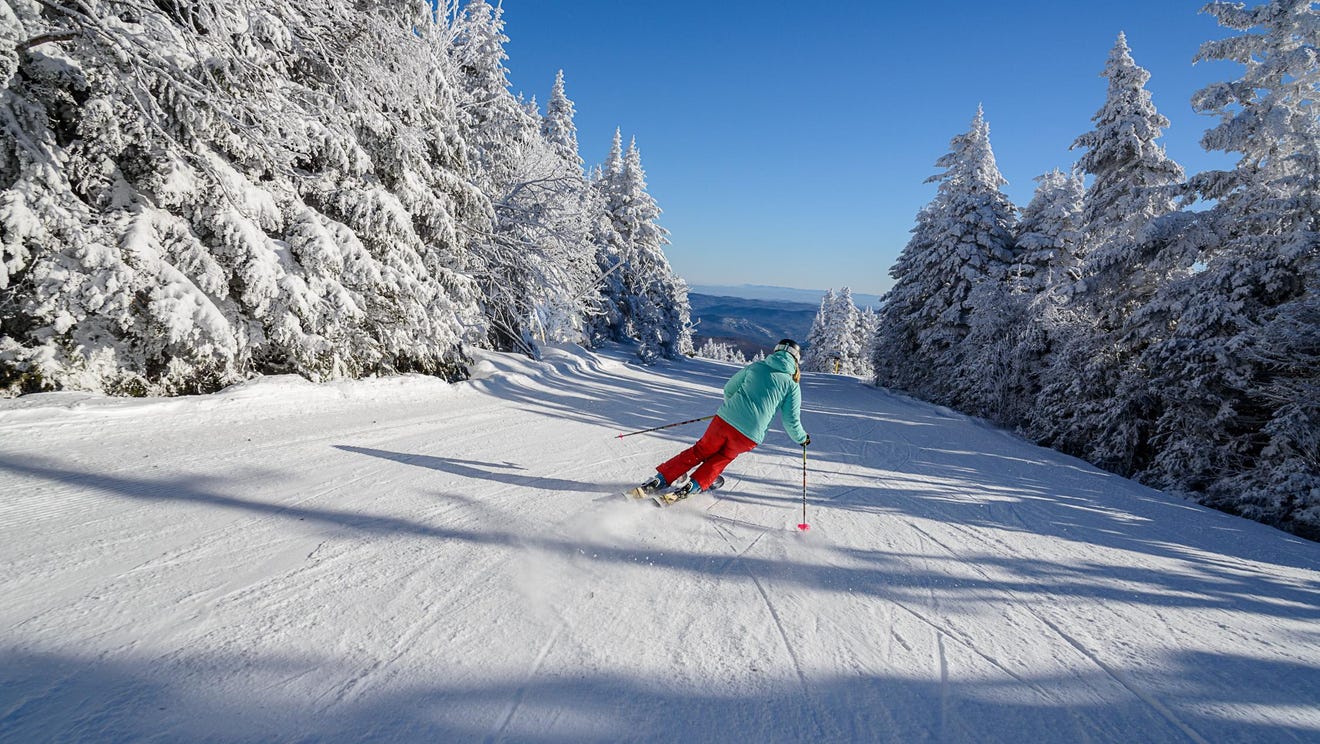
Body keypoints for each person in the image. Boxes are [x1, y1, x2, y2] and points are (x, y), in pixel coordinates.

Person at [633, 339, 811, 502]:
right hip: (749, 436)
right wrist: (802, 439)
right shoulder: (792, 386)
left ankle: (660, 480)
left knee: (700, 451)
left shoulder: (756, 367)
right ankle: (692, 486)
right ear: (795, 360)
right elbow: (791, 420)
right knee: (721, 458)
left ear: (776, 351)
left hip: (724, 421)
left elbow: (729, 389)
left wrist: (733, 410)